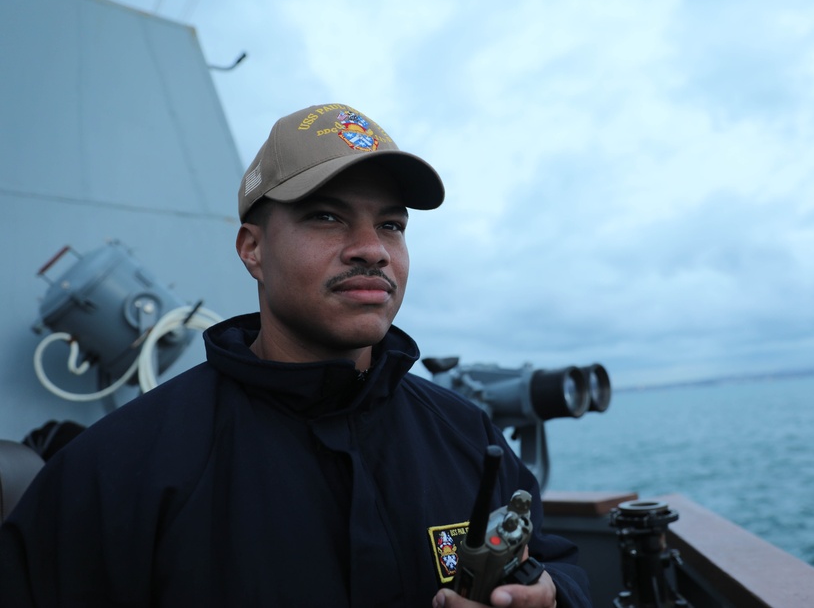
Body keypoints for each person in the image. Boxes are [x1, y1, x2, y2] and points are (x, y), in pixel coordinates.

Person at [0, 104, 591, 607]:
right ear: (252, 249)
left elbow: (557, 564)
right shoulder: (117, 470)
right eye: (327, 216)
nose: (371, 250)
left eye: (391, 225)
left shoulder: (466, 436)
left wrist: (550, 594)